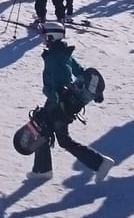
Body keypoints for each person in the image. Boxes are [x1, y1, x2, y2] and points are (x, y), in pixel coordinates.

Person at [31, 22, 114, 178]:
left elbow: (59, 81)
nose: (41, 37)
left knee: (45, 129)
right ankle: (42, 169)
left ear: (51, 37)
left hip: (59, 103)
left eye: (43, 35)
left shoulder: (54, 57)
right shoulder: (62, 53)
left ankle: (99, 163)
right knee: (46, 130)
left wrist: (51, 94)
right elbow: (80, 71)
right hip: (63, 101)